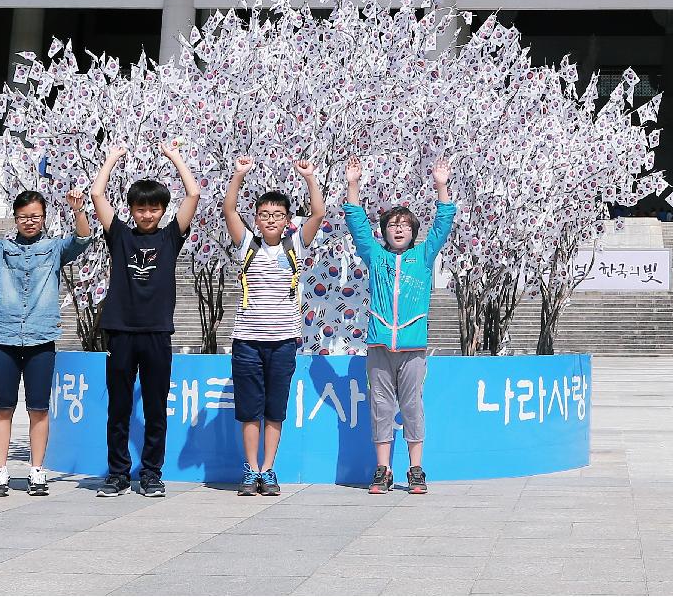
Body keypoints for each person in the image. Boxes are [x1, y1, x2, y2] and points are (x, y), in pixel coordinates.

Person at [0, 173, 92, 498]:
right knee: (2, 407)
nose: (29, 222)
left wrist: (78, 210)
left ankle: (36, 470)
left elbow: (83, 240)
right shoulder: (3, 249)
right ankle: (1, 471)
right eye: (23, 217)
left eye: (35, 216)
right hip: (4, 338)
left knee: (39, 408)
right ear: (15, 218)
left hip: (41, 339)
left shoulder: (54, 249)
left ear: (44, 217)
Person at [91, 139, 199, 499]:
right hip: (120, 332)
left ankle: (151, 472)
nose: (147, 214)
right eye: (141, 208)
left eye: (154, 208)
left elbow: (194, 194)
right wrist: (111, 158)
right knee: (118, 407)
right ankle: (118, 473)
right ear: (132, 210)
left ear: (163, 211)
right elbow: (96, 194)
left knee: (155, 407)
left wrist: (175, 156)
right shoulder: (120, 235)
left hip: (156, 333)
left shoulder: (171, 237)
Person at [343, 156, 456, 496]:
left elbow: (443, 225)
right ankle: (383, 469)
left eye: (405, 225)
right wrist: (353, 184)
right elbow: (357, 224)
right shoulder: (375, 256)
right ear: (385, 231)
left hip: (413, 347)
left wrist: (440, 185)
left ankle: (416, 468)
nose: (398, 229)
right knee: (381, 407)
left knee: (411, 407)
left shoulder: (422, 257)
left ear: (413, 232)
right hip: (379, 345)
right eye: (392, 225)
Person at [220, 155, 327, 497]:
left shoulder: (294, 245)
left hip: (283, 341)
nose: (270, 220)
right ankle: (250, 471)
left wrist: (310, 178)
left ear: (286, 220)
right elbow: (228, 210)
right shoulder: (246, 245)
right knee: (250, 409)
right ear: (257, 218)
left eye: (278, 215)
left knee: (274, 409)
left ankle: (269, 469)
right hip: (247, 340)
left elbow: (319, 214)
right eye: (264, 215)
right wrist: (238, 175)